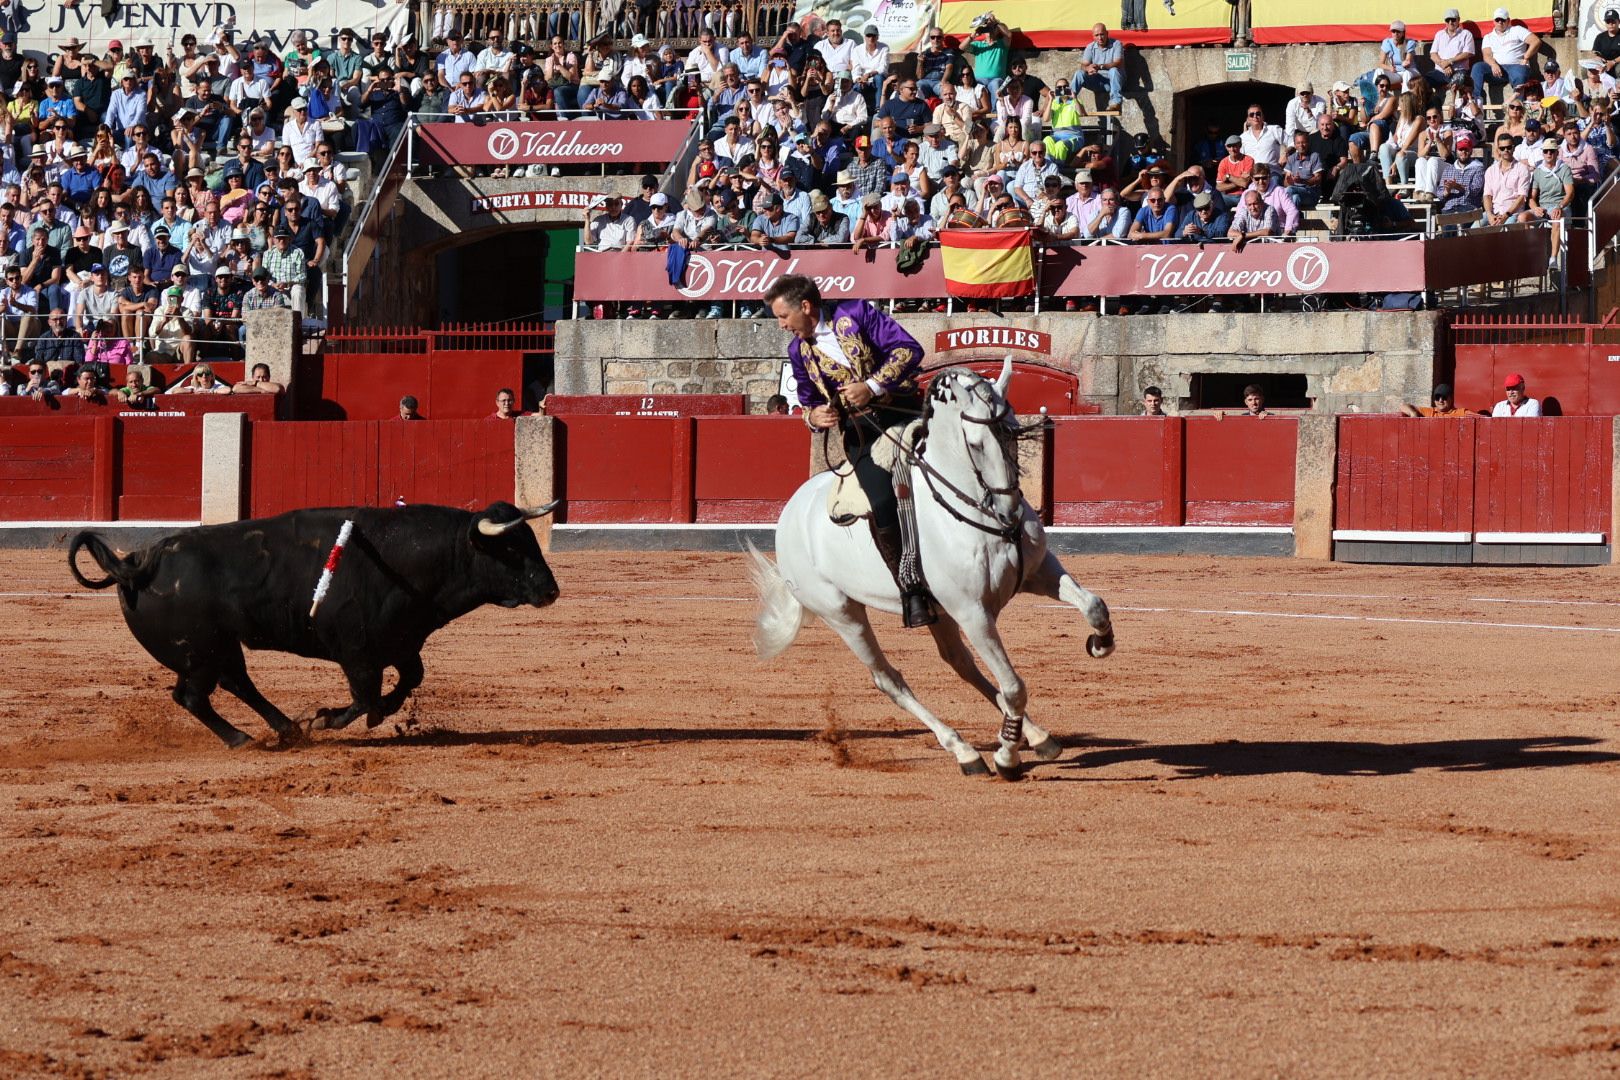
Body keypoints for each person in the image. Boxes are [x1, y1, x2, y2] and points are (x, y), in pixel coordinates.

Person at [765, 273, 935, 628]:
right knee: (881, 499)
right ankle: (911, 589)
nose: (782, 326)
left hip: (905, 412)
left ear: (805, 307)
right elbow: (808, 403)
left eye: (783, 317)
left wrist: (872, 386)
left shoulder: (856, 313)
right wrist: (814, 415)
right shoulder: (799, 351)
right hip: (861, 434)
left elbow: (909, 349)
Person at [1472, 9, 1540, 103]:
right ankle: (1475, 101)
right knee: (1477, 67)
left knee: (1520, 73)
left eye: (1503, 20)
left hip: (1515, 67)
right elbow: (1486, 55)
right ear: (1494, 21)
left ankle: (1517, 105)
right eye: (1497, 19)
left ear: (1508, 20)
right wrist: (1493, 64)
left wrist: (1526, 57)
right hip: (1496, 70)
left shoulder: (1517, 30)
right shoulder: (1488, 37)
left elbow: (1536, 41)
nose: (1500, 22)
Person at [1072, 23, 1123, 108]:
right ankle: (1068, 101)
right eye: (1097, 35)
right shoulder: (1090, 47)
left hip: (1114, 81)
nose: (1100, 38)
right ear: (1093, 36)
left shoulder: (1116, 44)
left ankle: (1115, 102)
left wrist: (1100, 66)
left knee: (1113, 71)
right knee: (1079, 73)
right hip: (1098, 82)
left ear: (1107, 33)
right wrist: (1088, 68)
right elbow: (1083, 65)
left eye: (1102, 34)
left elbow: (1118, 63)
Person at [1400, 383, 1474, 416]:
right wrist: (1413, 413)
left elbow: (1481, 419)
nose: (1440, 400)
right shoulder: (1430, 412)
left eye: (1444, 397)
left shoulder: (1461, 413)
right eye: (1437, 397)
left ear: (1451, 399)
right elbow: (1403, 406)